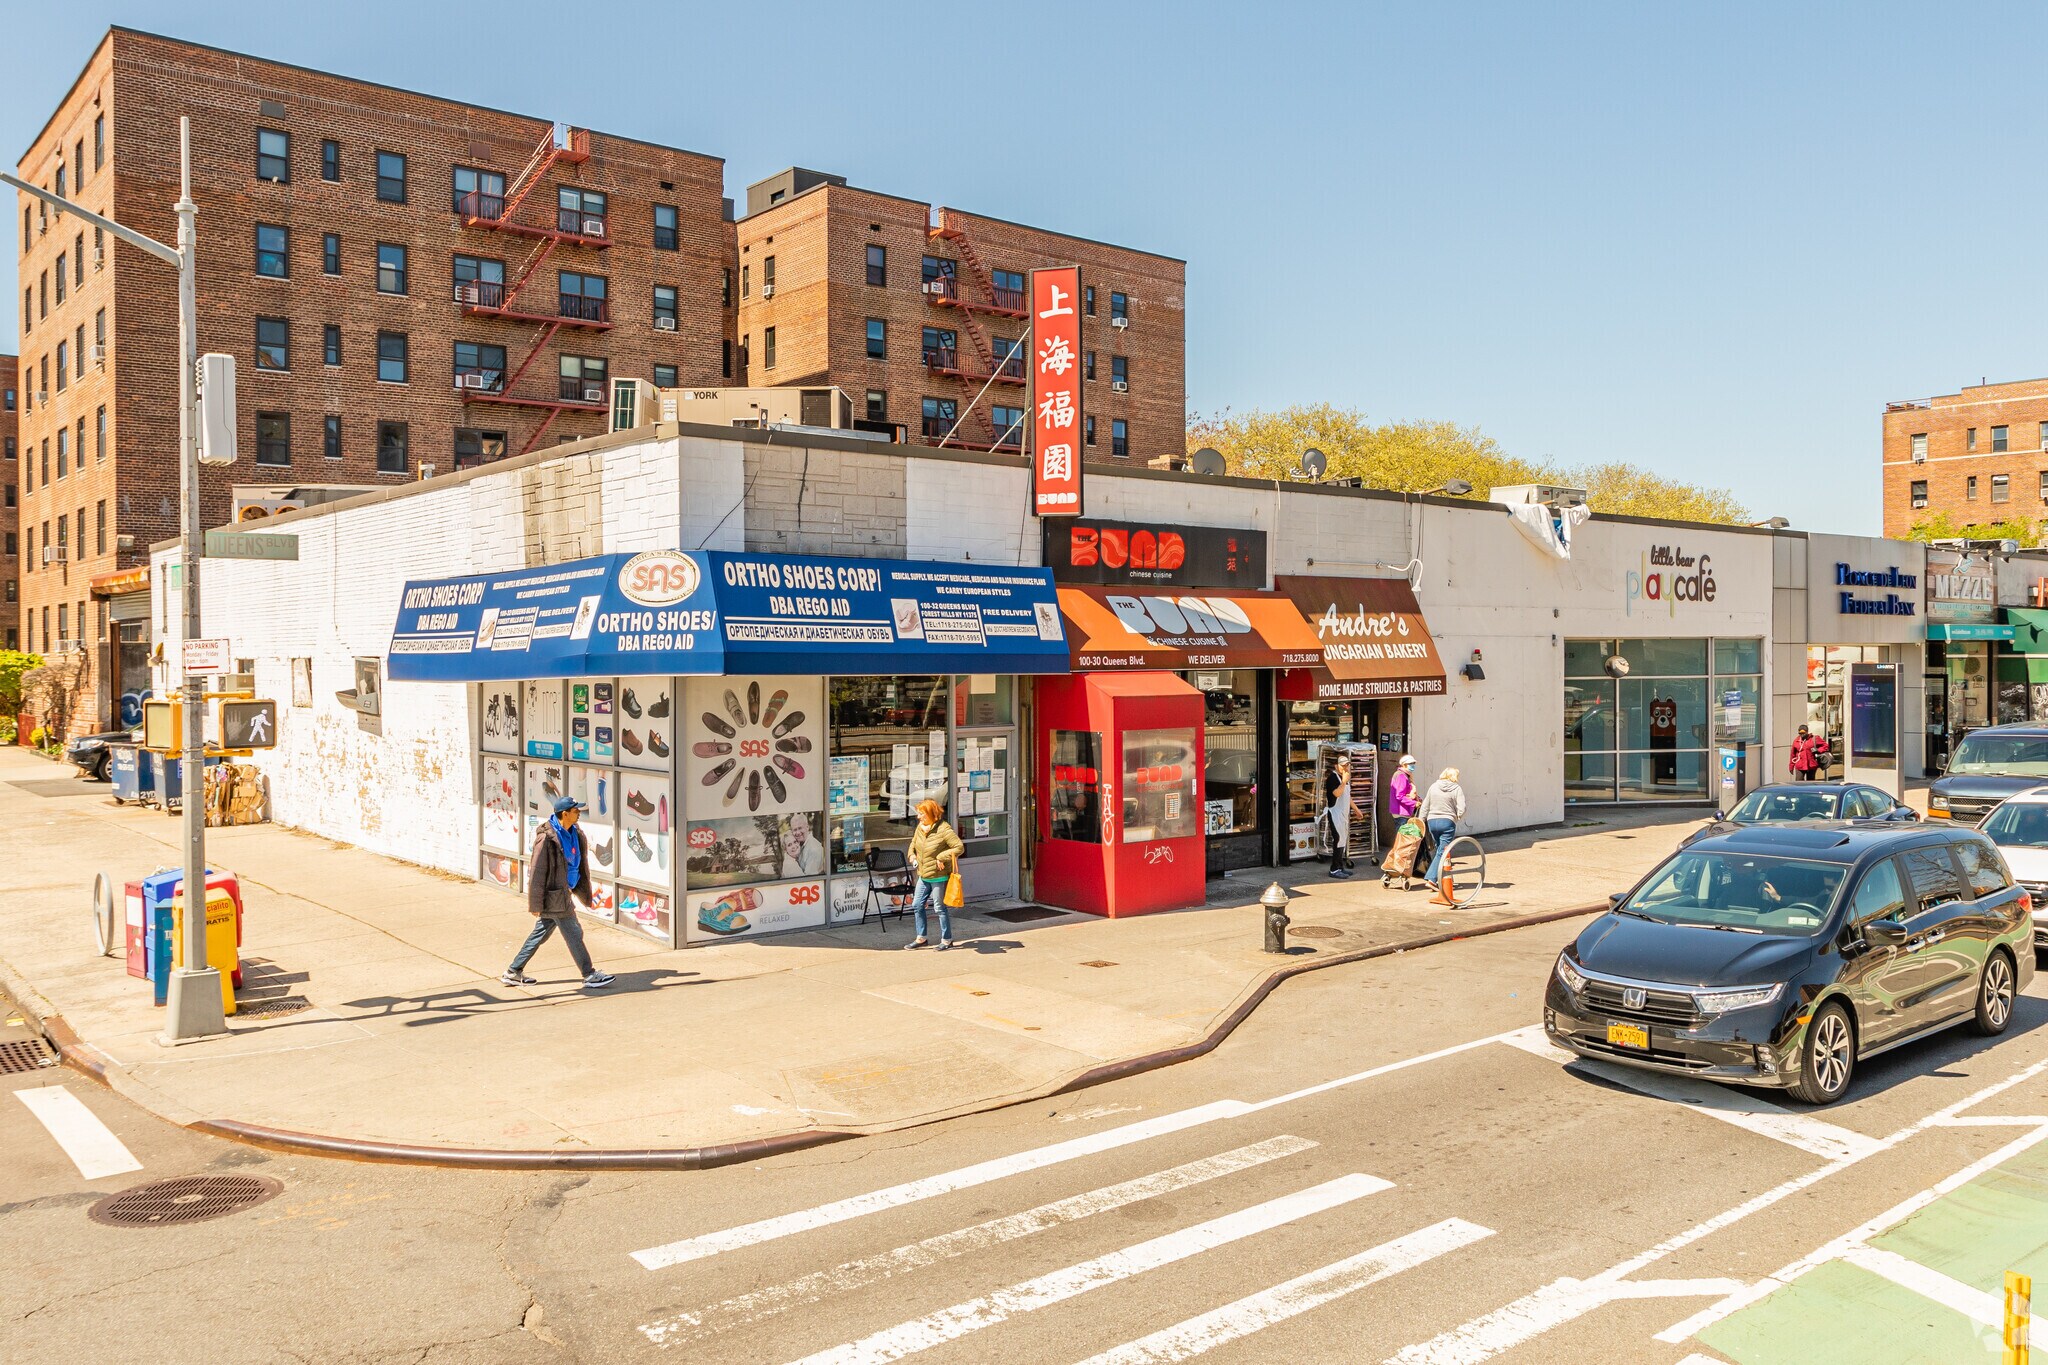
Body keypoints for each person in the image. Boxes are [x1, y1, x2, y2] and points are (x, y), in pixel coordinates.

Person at [503, 796, 615, 988]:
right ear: (565, 814)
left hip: (565, 891)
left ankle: (513, 971)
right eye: (575, 810)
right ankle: (589, 974)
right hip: (555, 896)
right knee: (574, 933)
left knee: (540, 934)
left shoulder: (575, 832)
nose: (578, 813)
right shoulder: (547, 838)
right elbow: (537, 872)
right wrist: (535, 904)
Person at [904, 798, 964, 950]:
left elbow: (959, 847)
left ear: (931, 813)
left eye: (922, 814)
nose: (918, 817)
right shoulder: (920, 828)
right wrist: (911, 855)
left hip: (939, 876)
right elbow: (913, 844)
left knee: (939, 908)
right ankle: (921, 938)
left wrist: (941, 857)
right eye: (918, 813)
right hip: (924, 875)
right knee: (917, 905)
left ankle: (947, 940)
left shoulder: (944, 829)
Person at [1419, 767, 1468, 903]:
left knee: (1440, 849)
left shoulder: (1433, 786)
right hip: (1447, 822)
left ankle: (1446, 876)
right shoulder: (1456, 788)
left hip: (1432, 822)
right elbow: (1462, 807)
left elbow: (1425, 805)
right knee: (1443, 851)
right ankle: (1431, 879)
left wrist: (1421, 820)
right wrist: (1457, 817)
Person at [1382, 754, 1422, 889]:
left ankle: (1397, 867)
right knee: (1403, 843)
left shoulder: (1404, 776)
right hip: (1401, 812)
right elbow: (1399, 796)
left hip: (1403, 812)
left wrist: (1418, 800)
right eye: (1411, 764)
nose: (1413, 766)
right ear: (1404, 764)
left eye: (1414, 763)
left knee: (1402, 842)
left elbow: (1406, 794)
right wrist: (1413, 803)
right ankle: (1397, 867)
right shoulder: (1400, 776)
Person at [1324, 754, 1366, 879]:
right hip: (1335, 814)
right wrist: (1343, 781)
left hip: (1343, 814)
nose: (1346, 768)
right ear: (1336, 766)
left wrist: (1356, 810)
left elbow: (1347, 796)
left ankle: (1340, 866)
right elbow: (1337, 793)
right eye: (1343, 765)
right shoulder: (1332, 778)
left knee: (1342, 840)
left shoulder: (1345, 778)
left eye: (1347, 765)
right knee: (1338, 840)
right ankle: (1334, 869)